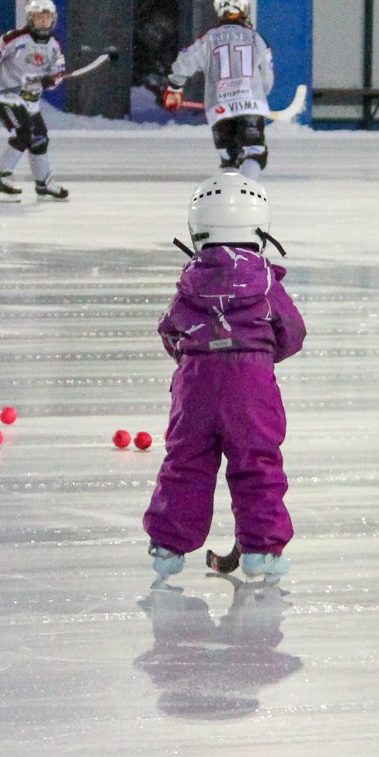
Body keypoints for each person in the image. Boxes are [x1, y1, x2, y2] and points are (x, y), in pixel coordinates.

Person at [145, 172, 305, 582]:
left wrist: (194, 356)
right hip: (252, 386)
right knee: (257, 464)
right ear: (261, 227)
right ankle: (261, 552)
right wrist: (261, 356)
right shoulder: (266, 283)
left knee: (186, 462)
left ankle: (168, 547)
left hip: (195, 383)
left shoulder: (190, 283)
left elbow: (170, 329)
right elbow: (292, 331)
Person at [164, 0, 275, 181]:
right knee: (255, 151)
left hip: (219, 107)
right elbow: (266, 77)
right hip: (250, 104)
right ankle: (246, 192)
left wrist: (175, 87)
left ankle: (228, 197)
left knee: (228, 158)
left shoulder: (208, 39)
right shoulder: (255, 38)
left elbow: (185, 61)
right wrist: (260, 95)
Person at [0, 0, 69, 200]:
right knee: (24, 133)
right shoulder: (15, 38)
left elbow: (58, 73)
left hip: (30, 101)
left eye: (47, 17)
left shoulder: (54, 45)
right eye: (39, 17)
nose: (43, 21)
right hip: (5, 96)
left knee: (40, 139)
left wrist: (50, 81)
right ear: (30, 18)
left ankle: (43, 184)